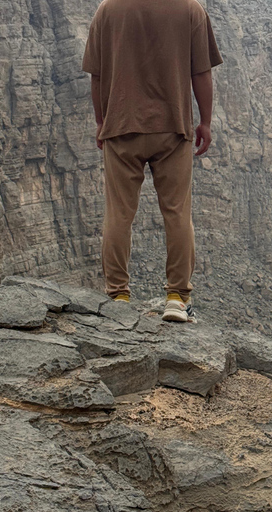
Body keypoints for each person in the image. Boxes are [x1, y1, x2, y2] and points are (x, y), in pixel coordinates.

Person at [82, 0, 223, 322]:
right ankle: (176, 297)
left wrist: (101, 121)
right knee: (177, 213)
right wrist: (206, 122)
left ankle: (118, 297)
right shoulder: (190, 9)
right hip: (172, 127)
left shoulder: (107, 9)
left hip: (121, 127)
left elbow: (97, 75)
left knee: (119, 214)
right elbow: (201, 72)